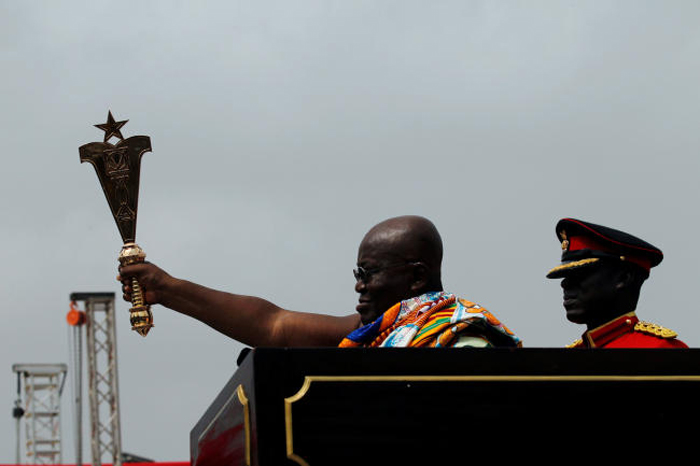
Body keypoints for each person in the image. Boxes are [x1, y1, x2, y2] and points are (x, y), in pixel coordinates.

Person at [119, 215, 520, 348]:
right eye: (357, 276)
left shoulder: (461, 336)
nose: (360, 287)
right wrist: (166, 289)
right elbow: (272, 325)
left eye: (369, 274)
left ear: (416, 276)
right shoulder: (381, 331)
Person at [546, 218, 686, 348]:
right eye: (565, 276)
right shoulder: (569, 359)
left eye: (579, 275)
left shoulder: (660, 351)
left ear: (623, 278)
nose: (564, 284)